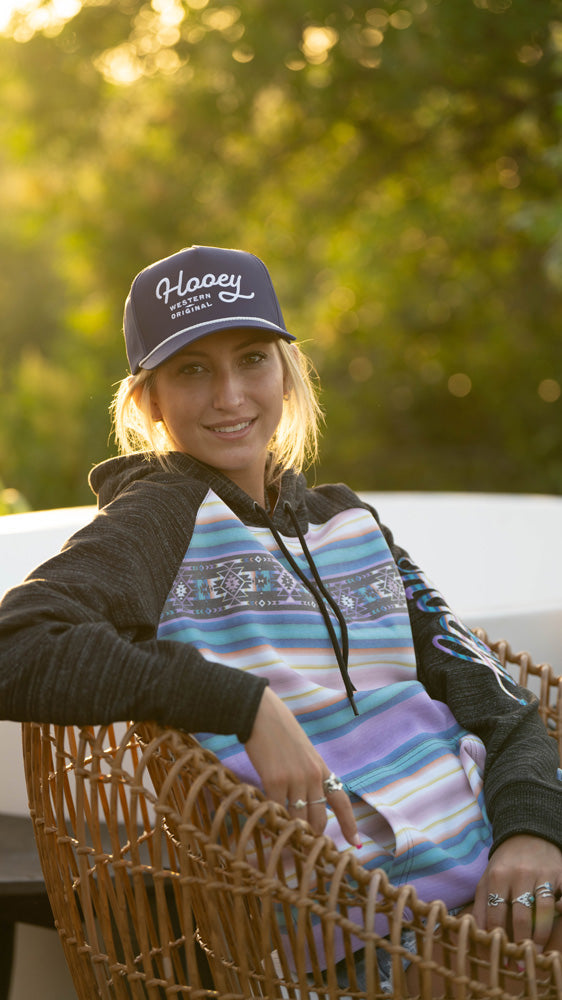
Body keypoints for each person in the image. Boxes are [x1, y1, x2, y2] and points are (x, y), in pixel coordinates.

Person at [0, 245, 561, 990]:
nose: (230, 394)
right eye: (193, 370)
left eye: (253, 358)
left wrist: (532, 834)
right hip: (374, 932)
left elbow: (496, 700)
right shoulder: (158, 517)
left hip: (510, 885)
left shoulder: (352, 523)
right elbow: (20, 646)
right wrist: (245, 703)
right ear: (150, 402)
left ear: (287, 372)